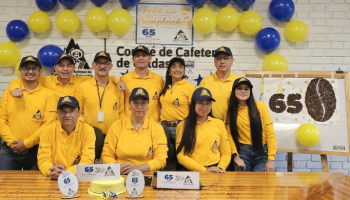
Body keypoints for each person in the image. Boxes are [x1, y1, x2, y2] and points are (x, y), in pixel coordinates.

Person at [0, 56, 57, 170]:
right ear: (20, 70)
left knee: (37, 186)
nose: (30, 71)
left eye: (34, 68)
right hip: (9, 150)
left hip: (37, 150)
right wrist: (13, 144)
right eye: (26, 68)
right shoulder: (8, 93)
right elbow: (2, 120)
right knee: (5, 186)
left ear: (40, 71)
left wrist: (26, 144)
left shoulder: (49, 95)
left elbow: (48, 124)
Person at [101, 87, 168, 175]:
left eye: (143, 103)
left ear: (148, 105)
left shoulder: (157, 128)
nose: (139, 107)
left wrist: (138, 168)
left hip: (146, 173)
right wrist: (117, 167)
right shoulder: (116, 126)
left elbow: (161, 160)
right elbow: (106, 155)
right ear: (129, 105)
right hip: (120, 173)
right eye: (135, 103)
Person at [8, 53, 126, 101]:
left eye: (69, 66)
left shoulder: (82, 80)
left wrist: (118, 80)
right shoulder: (45, 80)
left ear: (74, 68)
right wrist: (15, 89)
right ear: (55, 68)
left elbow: (102, 77)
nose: (65, 69)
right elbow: (19, 80)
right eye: (61, 65)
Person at [75, 51, 125, 160]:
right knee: (90, 165)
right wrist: (86, 130)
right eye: (98, 63)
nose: (102, 66)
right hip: (90, 136)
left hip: (113, 136)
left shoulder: (118, 88)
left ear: (110, 66)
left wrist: (121, 131)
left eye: (105, 63)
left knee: (110, 169)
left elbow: (121, 113)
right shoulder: (83, 87)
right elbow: (77, 113)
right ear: (93, 65)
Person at [226, 77, 277, 172]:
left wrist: (271, 159)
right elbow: (229, 135)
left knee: (261, 184)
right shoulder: (230, 110)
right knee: (244, 184)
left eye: (246, 89)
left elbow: (270, 133)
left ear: (250, 91)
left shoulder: (261, 107)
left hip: (262, 152)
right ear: (234, 91)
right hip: (242, 152)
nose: (243, 91)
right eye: (239, 88)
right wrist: (235, 156)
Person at [38, 96, 95, 179]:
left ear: (79, 113)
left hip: (76, 177)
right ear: (57, 114)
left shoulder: (88, 131)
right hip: (53, 176)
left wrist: (67, 173)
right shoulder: (48, 130)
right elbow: (43, 158)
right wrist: (51, 171)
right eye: (63, 111)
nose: (67, 115)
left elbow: (88, 160)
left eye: (71, 111)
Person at [176, 87, 231, 172]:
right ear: (193, 104)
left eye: (208, 103)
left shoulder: (219, 123)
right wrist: (204, 170)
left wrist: (220, 168)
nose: (204, 107)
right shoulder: (183, 125)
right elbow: (181, 156)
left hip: (215, 170)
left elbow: (226, 153)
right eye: (200, 103)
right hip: (192, 171)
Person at [160, 56, 196, 170]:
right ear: (169, 71)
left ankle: (182, 186)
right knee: (166, 157)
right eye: (174, 66)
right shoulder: (164, 87)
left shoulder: (190, 88)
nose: (177, 69)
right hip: (164, 128)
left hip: (181, 127)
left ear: (184, 71)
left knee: (181, 159)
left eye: (181, 67)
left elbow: (194, 111)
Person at [120, 45, 164, 122]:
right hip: (130, 125)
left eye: (144, 55)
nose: (141, 58)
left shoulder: (158, 79)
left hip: (152, 125)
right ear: (133, 59)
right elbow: (120, 105)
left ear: (149, 58)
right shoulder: (124, 79)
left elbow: (164, 102)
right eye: (137, 56)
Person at [198, 46, 240, 121]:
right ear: (215, 62)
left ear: (232, 61)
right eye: (219, 58)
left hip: (234, 125)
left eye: (226, 58)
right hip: (211, 125)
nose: (222, 61)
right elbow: (199, 104)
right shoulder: (205, 81)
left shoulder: (239, 82)